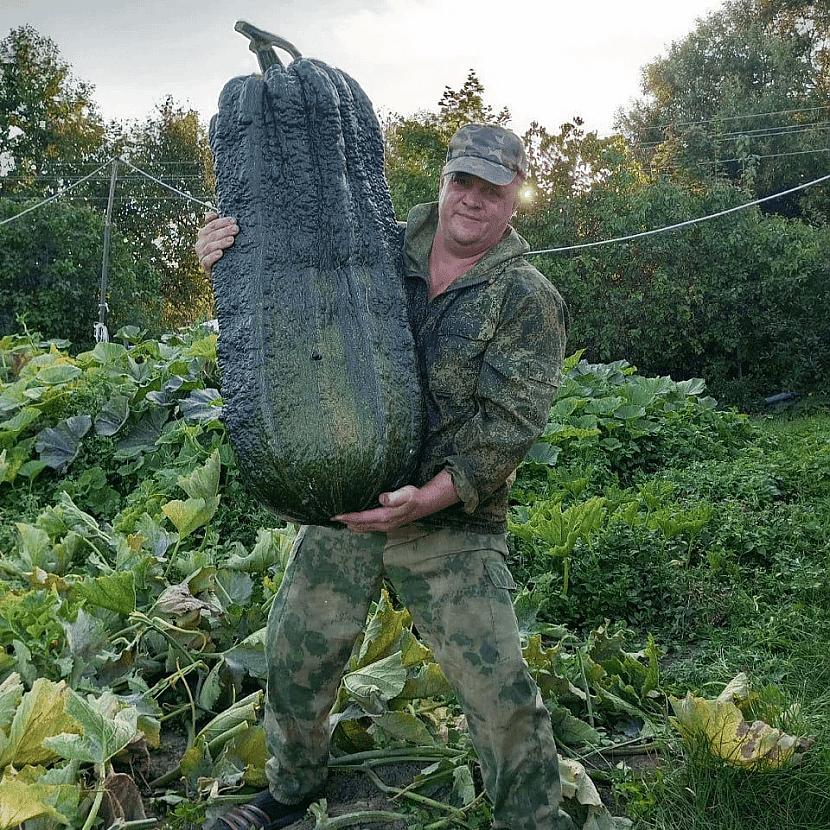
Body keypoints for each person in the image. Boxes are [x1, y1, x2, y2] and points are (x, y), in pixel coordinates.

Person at [196, 124, 572, 830]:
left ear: (515, 197)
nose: (473, 199)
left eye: (493, 188)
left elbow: (508, 430)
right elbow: (284, 295)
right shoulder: (371, 246)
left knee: (499, 689)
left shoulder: (527, 296)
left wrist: (425, 501)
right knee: (294, 653)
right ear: (444, 180)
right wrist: (224, 257)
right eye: (464, 180)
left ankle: (532, 820)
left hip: (451, 518)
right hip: (351, 494)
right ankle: (292, 788)